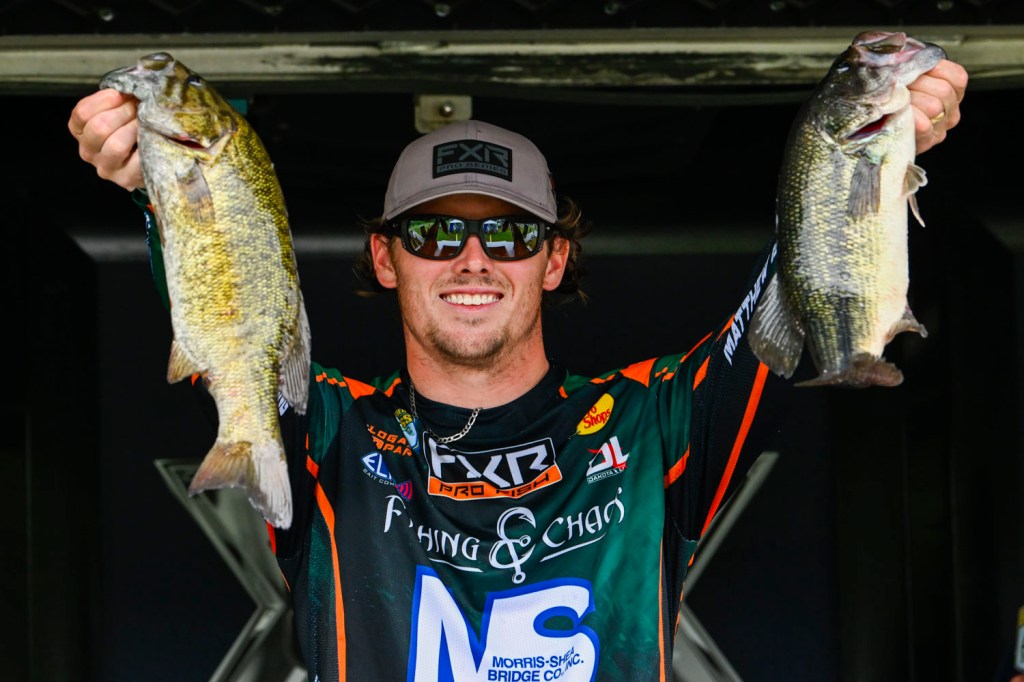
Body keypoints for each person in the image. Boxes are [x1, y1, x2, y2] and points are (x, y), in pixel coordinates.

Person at [69, 53, 967, 681]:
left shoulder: (651, 422)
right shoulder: (333, 432)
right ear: (386, 259)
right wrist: (161, 185)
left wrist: (872, 152)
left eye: (507, 234)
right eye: (434, 233)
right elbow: (225, 297)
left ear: (554, 259)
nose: (472, 260)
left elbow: (791, 292)